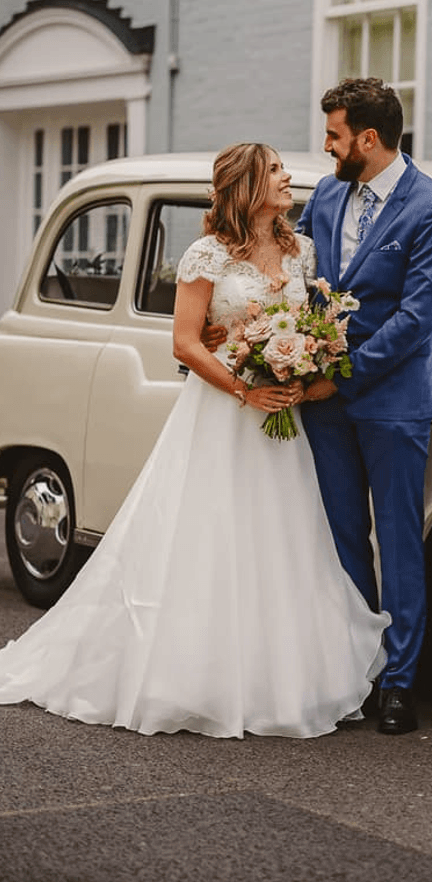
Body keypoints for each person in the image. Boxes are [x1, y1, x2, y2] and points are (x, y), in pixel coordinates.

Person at [0, 143, 389, 738]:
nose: (289, 180)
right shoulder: (205, 254)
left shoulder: (300, 249)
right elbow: (185, 342)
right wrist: (245, 388)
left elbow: (312, 324)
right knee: (208, 534)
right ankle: (194, 671)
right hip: (223, 414)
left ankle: (276, 676)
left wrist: (306, 368)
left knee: (280, 538)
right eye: (278, 171)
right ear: (248, 185)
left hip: (278, 422)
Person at [298, 78, 432, 735]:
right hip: (323, 402)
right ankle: (353, 671)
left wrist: (343, 375)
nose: (327, 145)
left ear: (368, 138)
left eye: (334, 134)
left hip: (392, 402)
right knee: (340, 541)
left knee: (398, 544)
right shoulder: (327, 194)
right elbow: (301, 280)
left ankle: (398, 683)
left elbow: (416, 321)